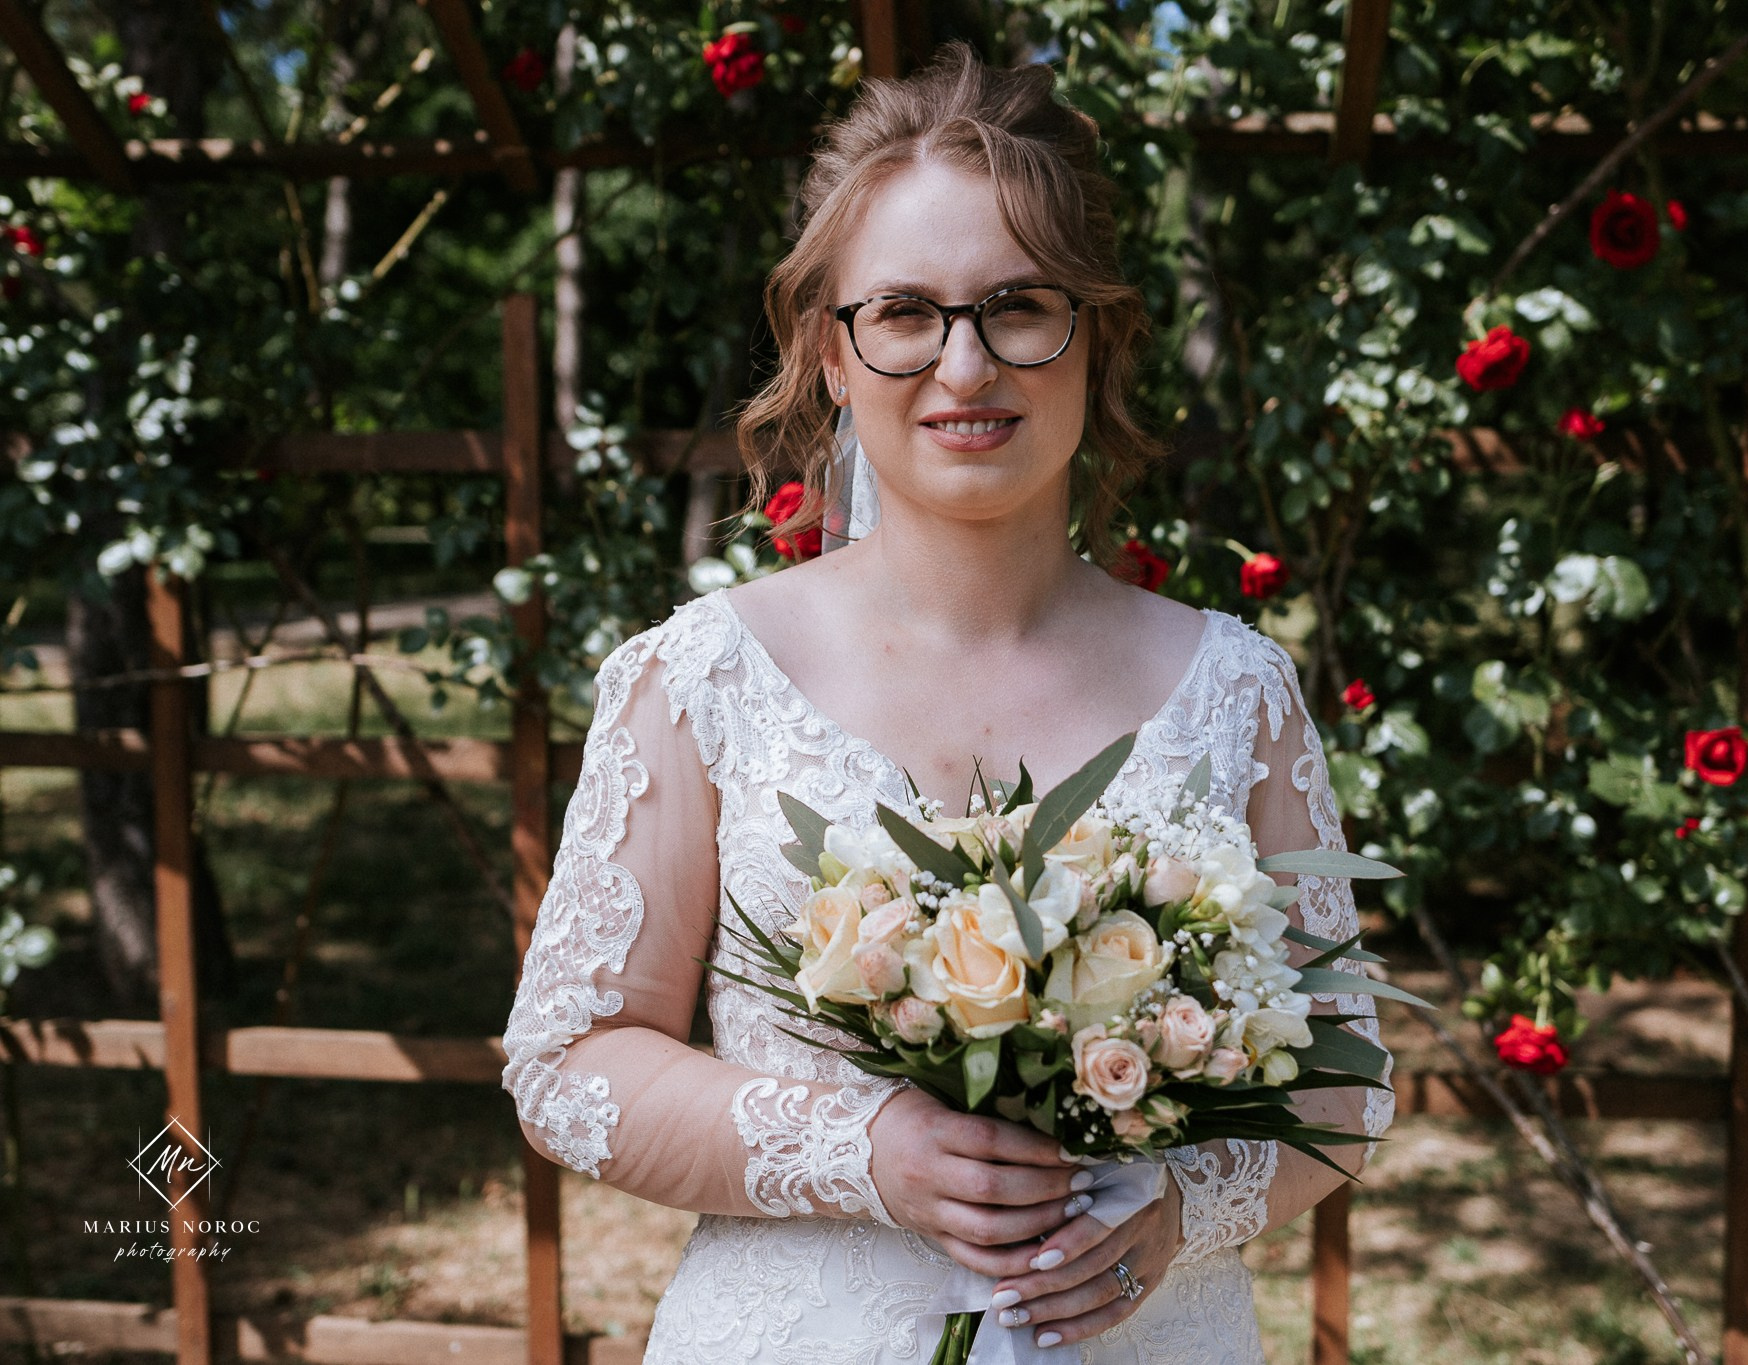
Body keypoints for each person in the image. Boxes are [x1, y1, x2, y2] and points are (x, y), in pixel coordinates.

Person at [499, 41, 1394, 1364]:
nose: (965, 368)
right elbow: (570, 1064)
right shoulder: (701, 678)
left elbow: (1343, 1071)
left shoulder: (1237, 691)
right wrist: (866, 1145)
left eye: (1018, 305)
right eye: (906, 312)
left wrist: (1177, 1208)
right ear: (833, 351)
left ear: (1100, 335)